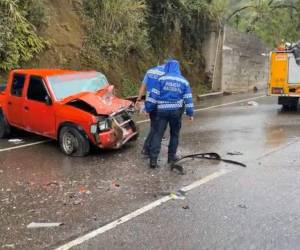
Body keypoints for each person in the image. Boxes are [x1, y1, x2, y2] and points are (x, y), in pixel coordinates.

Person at [145, 59, 194, 168]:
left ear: (167, 67)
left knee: (158, 134)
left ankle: (153, 161)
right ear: (178, 68)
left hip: (161, 111)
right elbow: (188, 99)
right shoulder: (184, 82)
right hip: (176, 112)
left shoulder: (161, 79)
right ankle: (171, 158)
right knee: (174, 134)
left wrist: (148, 108)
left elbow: (153, 96)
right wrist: (190, 113)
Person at [135, 63, 166, 156]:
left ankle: (150, 147)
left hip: (149, 102)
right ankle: (147, 148)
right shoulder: (166, 73)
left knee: (153, 125)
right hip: (159, 103)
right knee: (156, 128)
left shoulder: (150, 71)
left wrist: (138, 99)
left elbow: (143, 86)